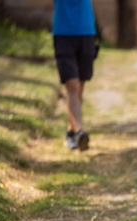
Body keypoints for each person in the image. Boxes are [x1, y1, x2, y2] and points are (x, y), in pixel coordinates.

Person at [52, 0, 98, 151]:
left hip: (86, 32)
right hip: (63, 34)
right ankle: (79, 131)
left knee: (79, 88)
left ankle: (71, 132)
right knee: (72, 85)